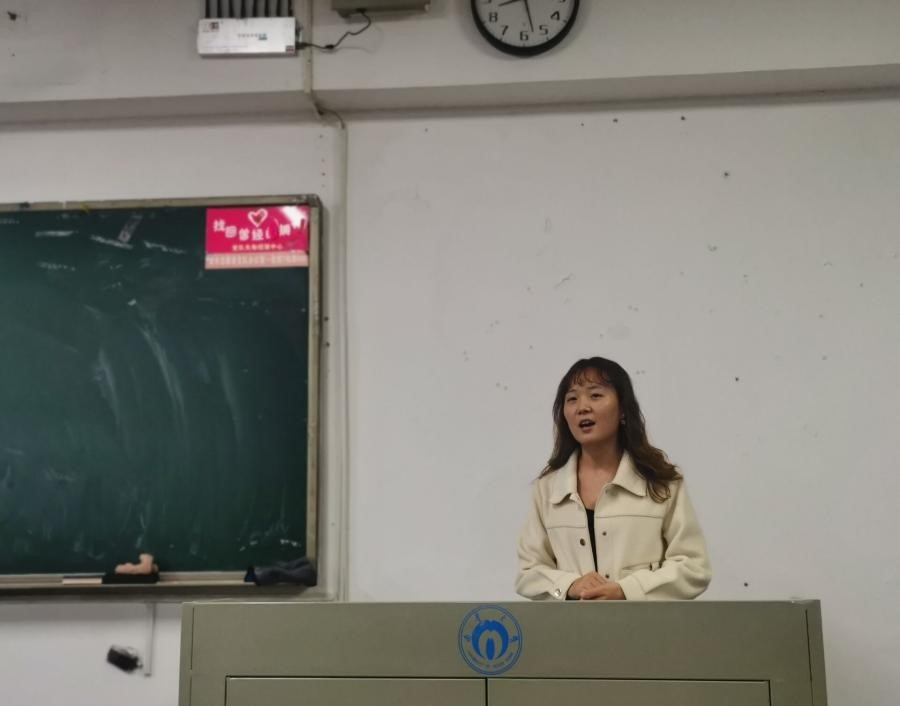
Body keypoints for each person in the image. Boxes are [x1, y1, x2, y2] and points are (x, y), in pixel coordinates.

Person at [516, 357, 711, 601]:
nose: (582, 407)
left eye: (595, 395)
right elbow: (528, 573)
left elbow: (693, 567)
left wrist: (626, 590)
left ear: (623, 410)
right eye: (572, 399)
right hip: (572, 624)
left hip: (644, 624)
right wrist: (570, 585)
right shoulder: (547, 488)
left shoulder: (662, 482)